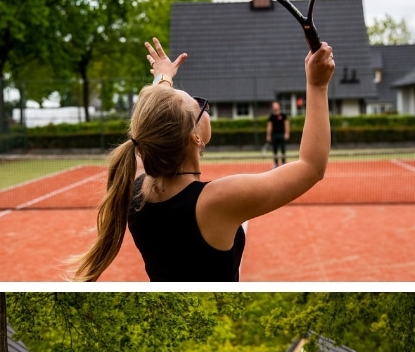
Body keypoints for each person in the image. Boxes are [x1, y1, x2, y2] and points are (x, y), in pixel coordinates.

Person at [74, 37, 336, 281]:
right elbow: (311, 166)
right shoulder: (216, 201)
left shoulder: (134, 189)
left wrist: (163, 79)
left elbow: (150, 124)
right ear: (195, 137)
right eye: (199, 105)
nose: (204, 107)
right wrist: (317, 85)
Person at [266, 101, 291, 168]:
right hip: (274, 135)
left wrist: (287, 133)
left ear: (279, 106)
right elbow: (269, 126)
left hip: (282, 134)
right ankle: (276, 164)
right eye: (274, 105)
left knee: (283, 149)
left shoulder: (283, 115)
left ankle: (283, 163)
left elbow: (286, 124)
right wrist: (268, 135)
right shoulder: (271, 117)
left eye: (276, 105)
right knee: (275, 150)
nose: (275, 106)